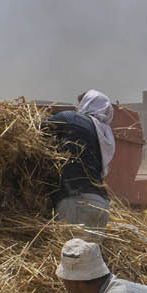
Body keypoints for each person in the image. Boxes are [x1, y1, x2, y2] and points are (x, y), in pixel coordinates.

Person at [42, 90, 116, 236]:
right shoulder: (105, 134)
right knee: (90, 256)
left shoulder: (71, 118)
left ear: (86, 104)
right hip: (101, 204)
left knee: (71, 254)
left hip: (76, 201)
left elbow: (36, 130)